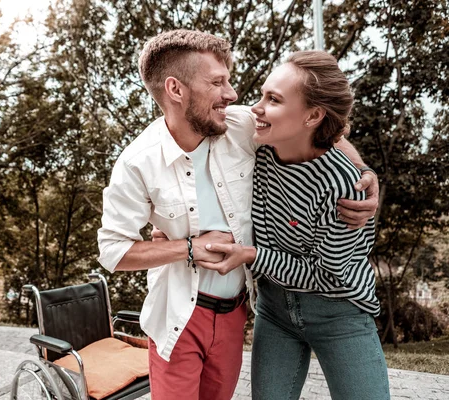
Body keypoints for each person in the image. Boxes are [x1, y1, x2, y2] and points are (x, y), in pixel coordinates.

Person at [97, 30, 377, 400]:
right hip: (179, 315)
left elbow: (318, 128)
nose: (232, 94)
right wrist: (188, 248)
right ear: (175, 90)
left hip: (236, 313)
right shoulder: (138, 163)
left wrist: (364, 174)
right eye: (217, 81)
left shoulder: (241, 125)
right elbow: (113, 251)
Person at [201, 51, 390, 399]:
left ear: (313, 115)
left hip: (339, 312)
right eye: (262, 95)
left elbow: (326, 274)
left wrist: (252, 255)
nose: (256, 107)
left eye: (272, 99)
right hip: (274, 311)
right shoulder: (261, 146)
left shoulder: (343, 188)